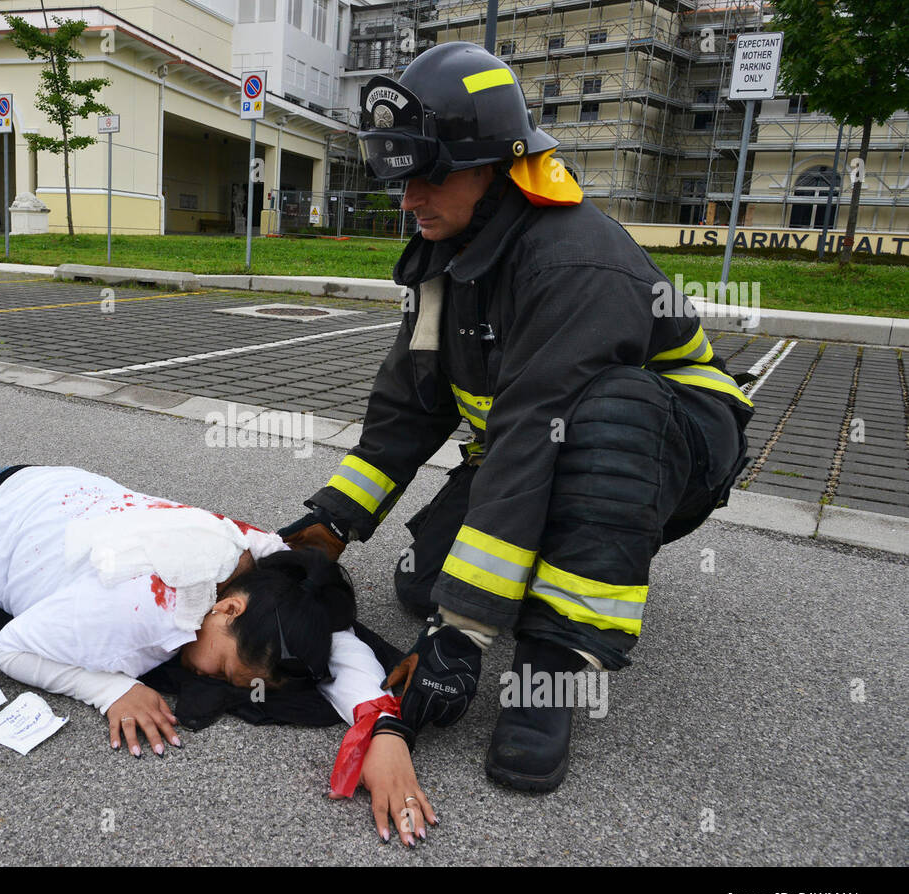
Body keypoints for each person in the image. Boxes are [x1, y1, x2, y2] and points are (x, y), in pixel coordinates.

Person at [280, 42, 753, 792]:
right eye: (403, 176)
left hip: (666, 448)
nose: (409, 199)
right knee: (423, 584)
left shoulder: (571, 263)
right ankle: (528, 576)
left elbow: (537, 435)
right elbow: (407, 409)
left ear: (495, 166)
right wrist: (329, 525)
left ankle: (553, 671)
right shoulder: (448, 252)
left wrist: (461, 635)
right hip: (535, 442)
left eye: (430, 175)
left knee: (606, 422)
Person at [0, 456, 436, 845]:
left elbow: (335, 639)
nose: (217, 679)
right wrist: (111, 689)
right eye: (225, 664)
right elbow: (13, 649)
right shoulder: (139, 606)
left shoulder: (270, 562)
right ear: (227, 606)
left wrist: (383, 728)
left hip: (47, 495)